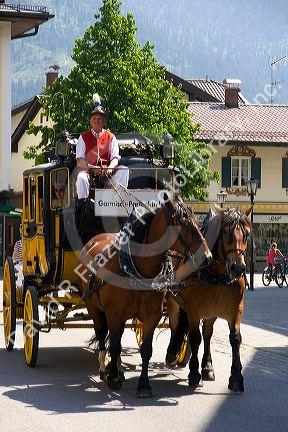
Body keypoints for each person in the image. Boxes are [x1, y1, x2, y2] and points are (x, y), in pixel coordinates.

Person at [76, 93, 129, 200]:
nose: (97, 120)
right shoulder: (83, 137)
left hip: (107, 174)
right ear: (90, 121)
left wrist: (110, 168)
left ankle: (116, 201)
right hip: (89, 173)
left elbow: (115, 158)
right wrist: (93, 168)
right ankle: (83, 206)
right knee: (81, 177)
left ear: (104, 121)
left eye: (100, 118)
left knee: (124, 170)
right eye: (94, 118)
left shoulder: (111, 137)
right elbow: (80, 162)